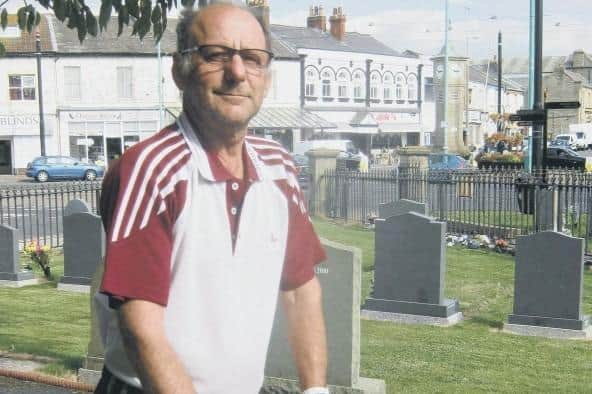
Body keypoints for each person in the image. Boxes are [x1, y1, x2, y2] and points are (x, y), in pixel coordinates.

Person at [94, 4, 328, 394]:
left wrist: (316, 390)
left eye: (253, 59)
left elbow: (300, 290)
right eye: (216, 55)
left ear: (266, 79)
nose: (237, 73)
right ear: (179, 70)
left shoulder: (280, 168)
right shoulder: (149, 169)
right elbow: (141, 327)